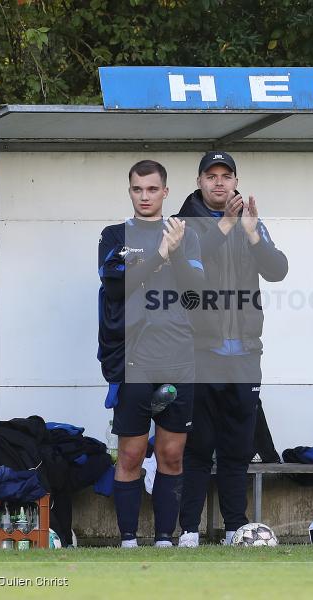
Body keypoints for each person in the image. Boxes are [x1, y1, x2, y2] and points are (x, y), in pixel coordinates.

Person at [175, 151, 288, 547]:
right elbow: (186, 269)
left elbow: (277, 269)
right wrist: (225, 225)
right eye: (212, 175)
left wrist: (253, 233)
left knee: (237, 448)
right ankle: (188, 529)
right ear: (200, 180)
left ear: (236, 181)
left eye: (227, 176)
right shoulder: (182, 223)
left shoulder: (250, 222)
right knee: (198, 445)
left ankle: (234, 528)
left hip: (244, 353)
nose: (219, 183)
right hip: (199, 352)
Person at [97, 160, 204, 548]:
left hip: (178, 358)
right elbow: (116, 287)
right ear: (130, 191)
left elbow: (196, 289)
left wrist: (174, 251)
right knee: (130, 453)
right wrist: (160, 252)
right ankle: (128, 540)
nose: (145, 196)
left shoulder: (185, 235)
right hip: (132, 360)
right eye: (138, 189)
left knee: (172, 454)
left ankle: (164, 539)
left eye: (152, 189)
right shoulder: (113, 236)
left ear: (165, 192)